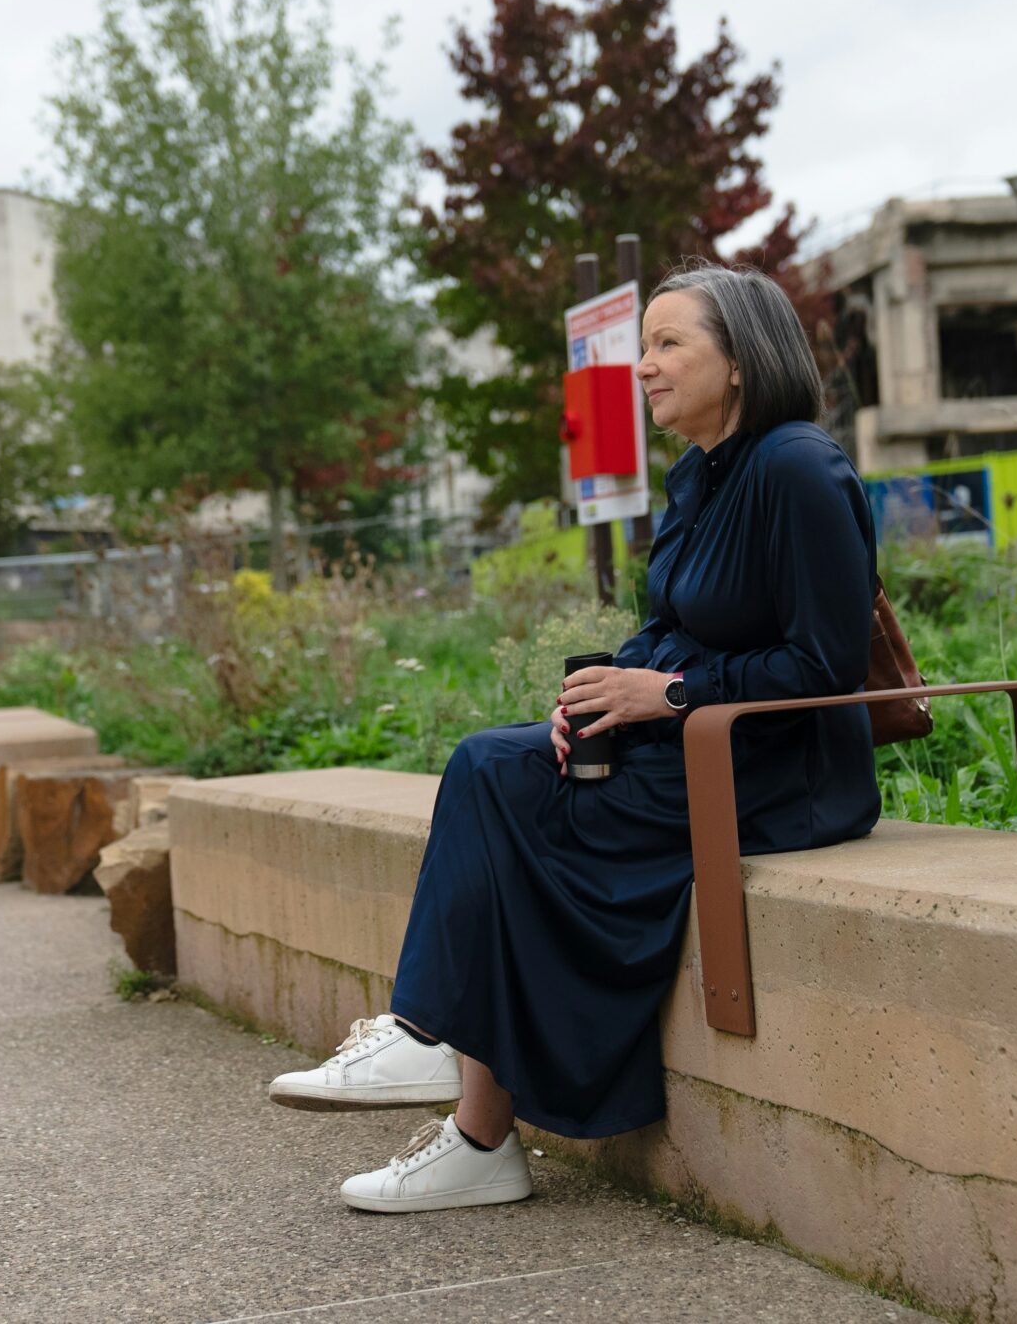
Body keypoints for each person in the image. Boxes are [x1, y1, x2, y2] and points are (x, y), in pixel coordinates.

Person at [267, 261, 880, 1213]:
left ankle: (446, 1072)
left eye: (669, 344)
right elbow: (670, 625)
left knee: (506, 798)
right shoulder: (701, 474)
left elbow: (826, 667)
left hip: (779, 772)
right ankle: (466, 1116)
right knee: (492, 765)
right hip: (695, 744)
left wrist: (664, 694)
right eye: (643, 345)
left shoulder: (800, 469)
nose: (644, 366)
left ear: (742, 362)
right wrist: (596, 700)